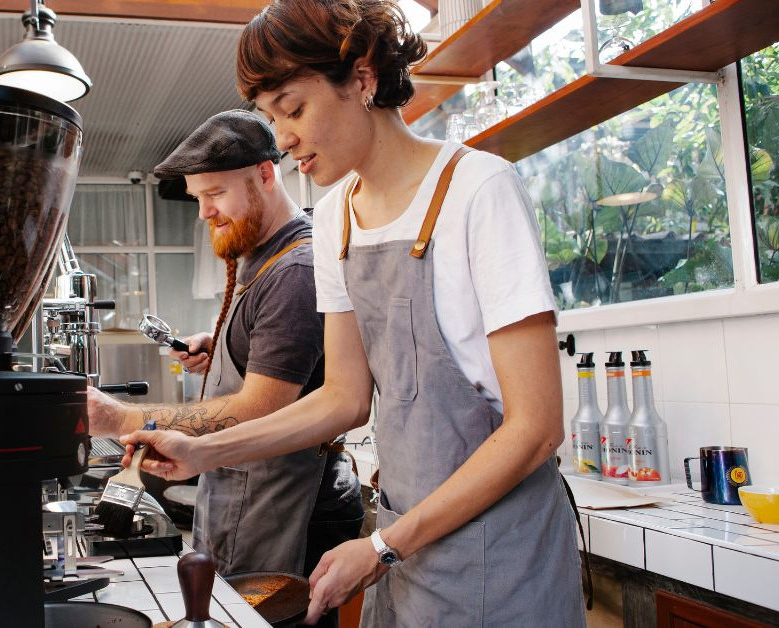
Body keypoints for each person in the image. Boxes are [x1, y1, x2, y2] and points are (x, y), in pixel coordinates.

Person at [118, 1, 586, 626]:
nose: (282, 139)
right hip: (406, 541)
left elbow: (536, 428)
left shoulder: (478, 190)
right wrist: (205, 452)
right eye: (269, 117)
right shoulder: (336, 217)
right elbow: (342, 398)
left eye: (293, 108)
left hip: (501, 546)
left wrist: (385, 546)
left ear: (362, 80)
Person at [87, 111, 364, 605]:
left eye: (214, 194)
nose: (204, 213)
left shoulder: (295, 269)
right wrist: (226, 351)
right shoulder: (262, 256)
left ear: (264, 173)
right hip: (247, 500)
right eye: (198, 198)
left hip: (291, 508)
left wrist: (121, 417)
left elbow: (264, 406)